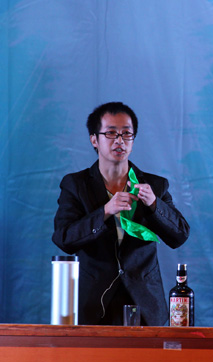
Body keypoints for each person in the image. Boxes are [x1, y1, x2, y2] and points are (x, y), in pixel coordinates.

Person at [52, 102, 190, 326]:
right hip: (94, 304)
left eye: (127, 133)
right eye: (111, 133)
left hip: (145, 304)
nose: (120, 141)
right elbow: (64, 238)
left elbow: (180, 235)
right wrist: (105, 211)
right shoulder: (75, 185)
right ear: (94, 140)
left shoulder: (154, 185)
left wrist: (154, 204)